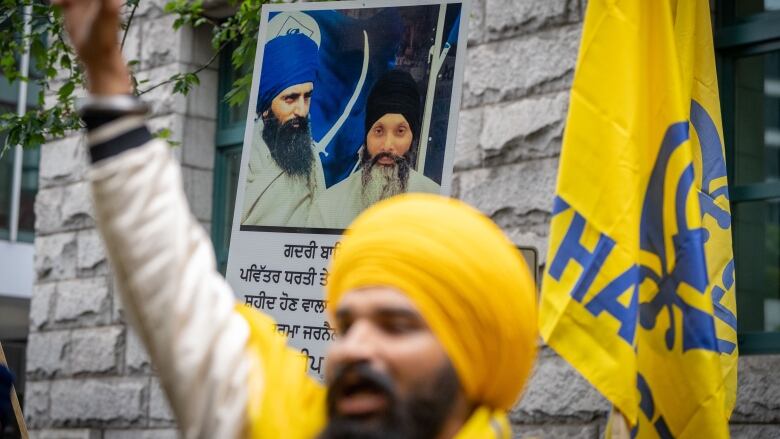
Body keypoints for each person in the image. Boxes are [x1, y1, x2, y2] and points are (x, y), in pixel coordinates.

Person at [53, 0, 538, 437]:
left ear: (474, 358)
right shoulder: (286, 423)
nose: (352, 351)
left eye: (395, 325)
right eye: (345, 326)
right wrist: (108, 80)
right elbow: (175, 294)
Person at [309, 69, 440, 229]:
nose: (387, 146)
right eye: (378, 131)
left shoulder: (438, 204)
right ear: (366, 135)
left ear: (413, 138)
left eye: (400, 131)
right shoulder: (329, 207)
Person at [240, 29, 326, 228]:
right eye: (290, 98)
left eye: (307, 97)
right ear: (266, 109)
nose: (302, 111)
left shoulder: (311, 160)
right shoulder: (246, 157)